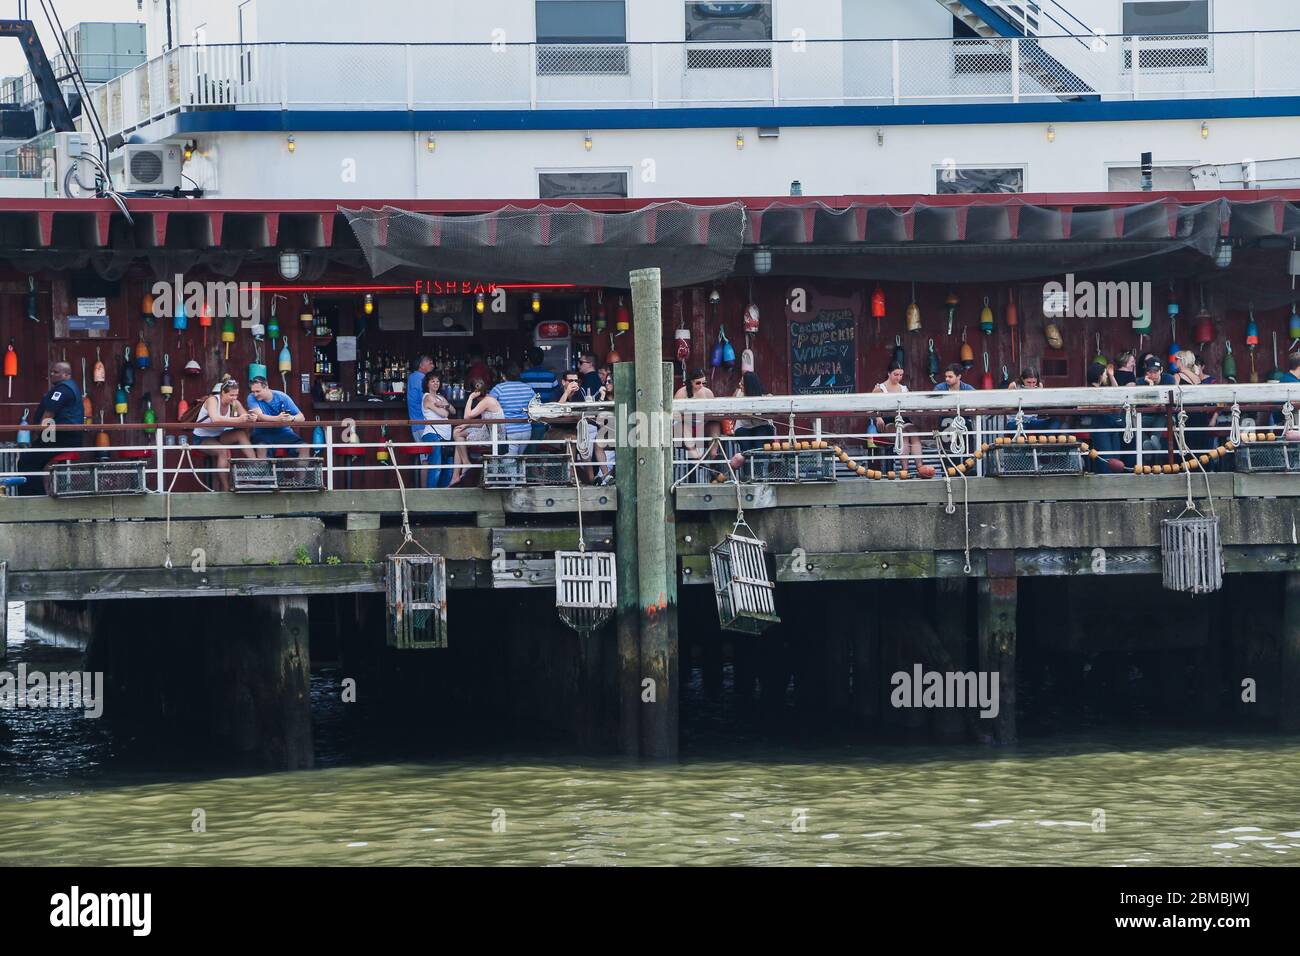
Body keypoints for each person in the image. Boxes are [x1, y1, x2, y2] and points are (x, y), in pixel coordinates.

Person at [22, 362, 84, 496]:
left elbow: (48, 416)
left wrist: (38, 435)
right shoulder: (69, 387)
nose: (52, 375)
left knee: (27, 461)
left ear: (67, 374)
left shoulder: (62, 390)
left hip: (60, 437)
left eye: (56, 372)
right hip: (59, 436)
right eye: (51, 372)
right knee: (33, 460)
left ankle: (34, 502)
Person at [191, 378, 256, 491]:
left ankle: (256, 468)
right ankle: (226, 488)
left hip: (219, 435)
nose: (234, 398)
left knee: (240, 434)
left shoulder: (235, 403)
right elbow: (215, 419)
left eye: (236, 395)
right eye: (231, 395)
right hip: (202, 438)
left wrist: (252, 418)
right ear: (223, 393)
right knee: (223, 451)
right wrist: (238, 420)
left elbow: (245, 417)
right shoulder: (212, 400)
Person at [451, 374, 504, 485]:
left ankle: (465, 465)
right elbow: (482, 423)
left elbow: (467, 416)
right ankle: (456, 476)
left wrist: (470, 398)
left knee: (457, 434)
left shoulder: (486, 401)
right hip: (489, 432)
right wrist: (467, 425)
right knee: (458, 435)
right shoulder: (488, 399)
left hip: (494, 437)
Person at [872, 362, 923, 474]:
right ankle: (905, 469)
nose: (898, 377)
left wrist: (916, 408)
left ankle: (920, 467)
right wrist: (877, 417)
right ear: (889, 373)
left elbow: (911, 405)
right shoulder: (880, 388)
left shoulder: (904, 388)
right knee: (903, 434)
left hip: (903, 418)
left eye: (901, 375)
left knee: (914, 432)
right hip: (888, 420)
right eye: (896, 374)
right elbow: (870, 406)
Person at [247, 376, 308, 459]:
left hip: (284, 433)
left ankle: (300, 472)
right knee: (261, 448)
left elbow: (301, 417)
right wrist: (278, 419)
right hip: (262, 433)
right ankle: (263, 472)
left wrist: (291, 418)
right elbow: (260, 416)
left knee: (304, 448)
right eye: (253, 392)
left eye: (258, 391)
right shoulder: (251, 397)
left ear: (266, 387)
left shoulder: (282, 397)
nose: (255, 394)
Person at [489, 362, 536, 456]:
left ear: (503, 375)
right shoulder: (528, 388)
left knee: (510, 462)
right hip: (526, 430)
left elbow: (488, 405)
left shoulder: (499, 389)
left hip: (509, 431)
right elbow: (536, 407)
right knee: (519, 459)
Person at [420, 369, 453, 488]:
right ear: (427, 384)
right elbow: (445, 414)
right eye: (433, 381)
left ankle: (442, 496)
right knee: (436, 468)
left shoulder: (440, 397)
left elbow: (452, 410)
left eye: (438, 381)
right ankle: (431, 497)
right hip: (433, 435)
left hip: (445, 436)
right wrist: (446, 406)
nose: (436, 383)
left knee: (448, 469)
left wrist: (445, 405)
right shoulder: (427, 397)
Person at [406, 354, 434, 443]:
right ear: (421, 365)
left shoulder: (412, 377)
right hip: (424, 424)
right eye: (429, 362)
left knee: (423, 453)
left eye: (432, 363)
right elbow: (428, 399)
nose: (432, 364)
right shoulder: (421, 378)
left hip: (415, 423)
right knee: (430, 453)